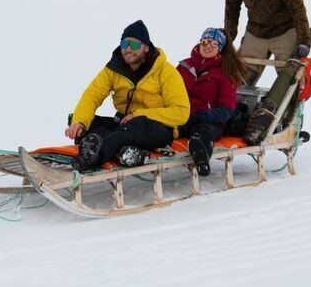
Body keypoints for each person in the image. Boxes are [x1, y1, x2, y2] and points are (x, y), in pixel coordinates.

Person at [64, 20, 190, 169]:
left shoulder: (166, 72)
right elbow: (92, 95)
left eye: (135, 45)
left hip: (157, 129)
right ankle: (125, 153)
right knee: (82, 121)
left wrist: (138, 114)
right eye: (125, 44)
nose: (128, 49)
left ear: (146, 48)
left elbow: (181, 112)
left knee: (138, 124)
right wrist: (79, 122)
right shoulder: (113, 70)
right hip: (124, 125)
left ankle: (94, 157)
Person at [176, 28, 247, 176]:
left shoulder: (225, 73)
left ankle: (202, 158)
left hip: (209, 120)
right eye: (205, 41)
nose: (208, 46)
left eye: (214, 44)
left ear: (220, 49)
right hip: (181, 116)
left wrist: (202, 115)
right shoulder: (184, 67)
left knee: (203, 132)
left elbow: (227, 110)